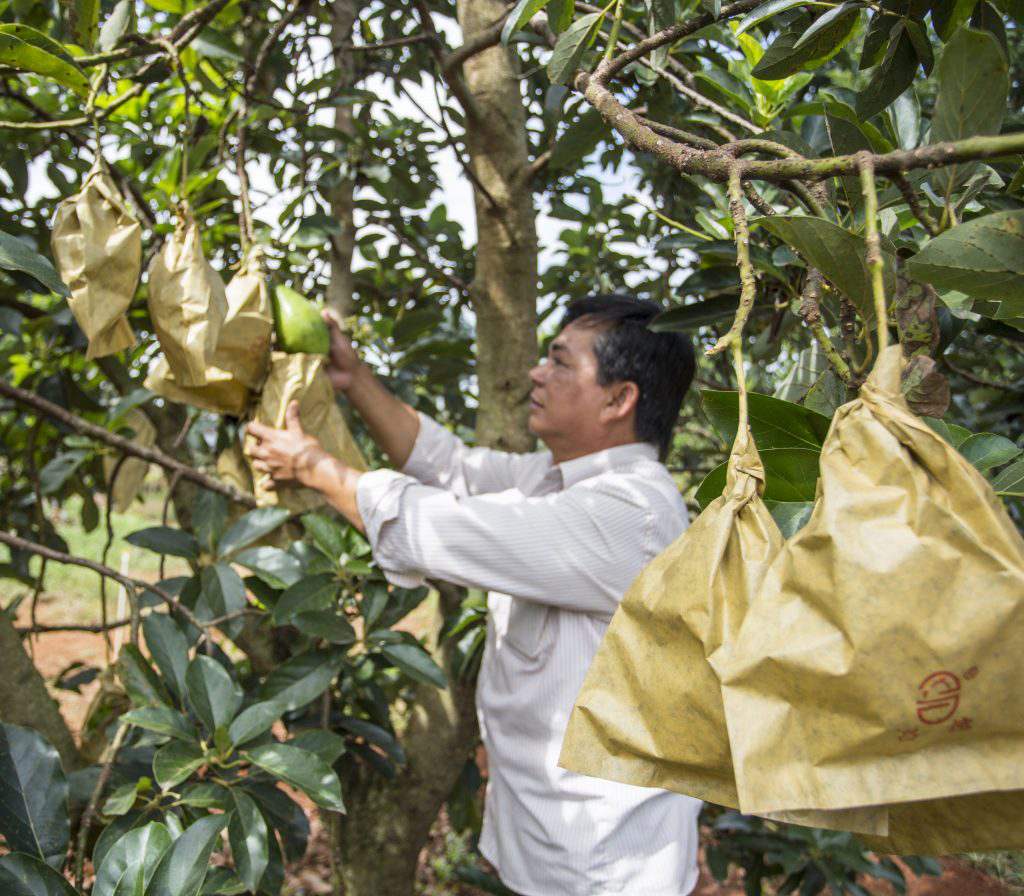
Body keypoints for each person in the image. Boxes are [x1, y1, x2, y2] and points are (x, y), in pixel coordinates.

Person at [246, 293, 702, 896]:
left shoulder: (629, 514)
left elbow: (443, 526)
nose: (538, 372)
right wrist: (353, 379)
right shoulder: (558, 480)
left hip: (603, 867)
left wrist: (314, 467)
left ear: (620, 399)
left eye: (562, 363)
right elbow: (449, 466)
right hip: (548, 843)